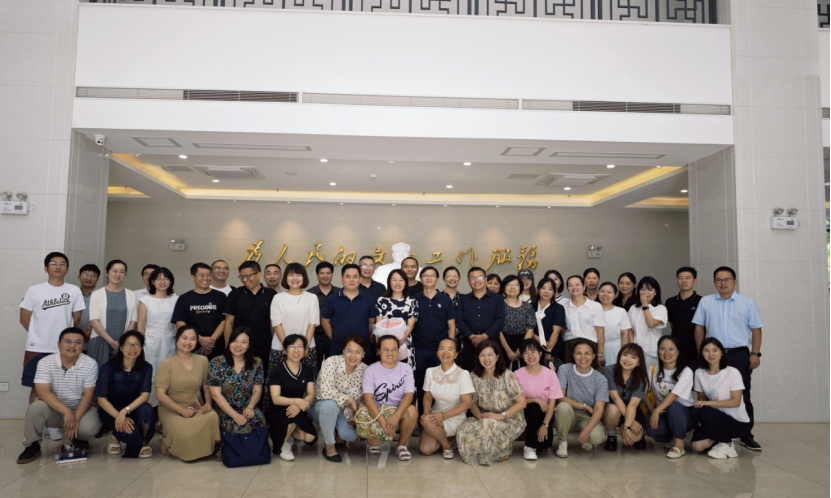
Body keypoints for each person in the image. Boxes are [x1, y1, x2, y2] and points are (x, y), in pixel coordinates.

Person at [693, 266, 763, 452]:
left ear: (735, 281)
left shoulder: (747, 303)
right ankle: (716, 430)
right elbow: (699, 328)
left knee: (743, 395)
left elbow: (756, 330)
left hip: (739, 354)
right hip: (713, 354)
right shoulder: (706, 302)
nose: (723, 283)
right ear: (714, 282)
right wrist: (701, 353)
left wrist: (755, 353)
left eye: (727, 279)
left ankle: (746, 435)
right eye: (719, 280)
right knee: (710, 392)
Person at [17, 328, 101, 464]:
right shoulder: (45, 362)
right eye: (67, 341)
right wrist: (66, 411)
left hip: (79, 408)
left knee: (90, 427)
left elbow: (88, 395)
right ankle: (32, 445)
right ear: (59, 344)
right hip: (53, 409)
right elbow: (43, 393)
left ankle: (79, 438)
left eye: (78, 342)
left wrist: (75, 419)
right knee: (35, 407)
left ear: (84, 345)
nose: (72, 346)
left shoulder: (90, 364)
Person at [20, 252, 85, 405]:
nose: (58, 267)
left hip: (64, 349)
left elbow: (76, 319)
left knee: (61, 388)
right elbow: (24, 319)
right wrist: (39, 334)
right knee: (37, 388)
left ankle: (56, 420)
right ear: (46, 268)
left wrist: (65, 339)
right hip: (37, 348)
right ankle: (35, 419)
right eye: (54, 263)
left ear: (67, 269)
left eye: (62, 264)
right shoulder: (34, 290)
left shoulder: (74, 291)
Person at [455, 339, 526, 465]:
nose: (486, 359)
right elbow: (473, 403)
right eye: (482, 355)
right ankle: (487, 451)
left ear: (497, 357)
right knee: (464, 429)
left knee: (488, 426)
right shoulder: (475, 376)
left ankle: (504, 449)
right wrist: (480, 417)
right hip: (486, 417)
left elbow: (522, 403)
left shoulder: (507, 375)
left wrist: (500, 416)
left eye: (490, 355)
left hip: (509, 418)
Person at [155, 325, 220, 461]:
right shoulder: (166, 364)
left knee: (212, 417)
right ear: (176, 339)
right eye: (184, 338)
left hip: (195, 406)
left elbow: (206, 387)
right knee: (185, 431)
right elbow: (160, 395)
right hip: (171, 408)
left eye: (192, 339)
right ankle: (167, 442)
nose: (188, 342)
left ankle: (194, 447)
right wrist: (182, 410)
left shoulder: (203, 360)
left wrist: (208, 403)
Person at [266, 263, 319, 411]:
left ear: (304, 277)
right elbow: (277, 325)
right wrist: (288, 347)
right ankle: (277, 415)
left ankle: (305, 412)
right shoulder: (278, 298)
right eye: (291, 275)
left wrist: (304, 347)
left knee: (306, 385)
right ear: (285, 278)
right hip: (280, 348)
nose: (295, 278)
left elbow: (312, 324)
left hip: (307, 348)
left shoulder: (311, 297)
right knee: (279, 385)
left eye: (298, 275)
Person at [208, 327, 267, 461]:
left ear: (249, 344)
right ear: (229, 342)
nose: (238, 345)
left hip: (247, 406)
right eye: (234, 341)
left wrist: (251, 406)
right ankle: (237, 455)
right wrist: (235, 415)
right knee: (237, 425)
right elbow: (216, 395)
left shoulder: (256, 363)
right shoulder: (216, 362)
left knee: (258, 418)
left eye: (243, 342)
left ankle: (256, 453)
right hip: (224, 408)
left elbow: (257, 390)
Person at [96, 330, 155, 459]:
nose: (132, 348)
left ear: (141, 347)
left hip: (133, 409)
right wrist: (119, 416)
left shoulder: (146, 367)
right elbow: (102, 399)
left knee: (147, 409)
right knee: (131, 434)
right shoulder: (107, 368)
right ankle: (115, 434)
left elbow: (145, 396)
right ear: (121, 348)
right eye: (128, 345)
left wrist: (125, 411)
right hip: (111, 411)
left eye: (136, 345)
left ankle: (144, 442)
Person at [690, 338, 752, 459]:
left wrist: (706, 406)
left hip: (737, 423)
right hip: (714, 418)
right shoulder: (699, 373)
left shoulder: (732, 372)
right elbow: (702, 399)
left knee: (705, 410)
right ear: (702, 353)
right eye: (706, 351)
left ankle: (727, 444)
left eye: (715, 350)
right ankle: (720, 440)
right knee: (697, 446)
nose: (711, 354)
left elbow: (736, 402)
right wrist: (702, 417)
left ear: (721, 352)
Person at [310, 334, 368, 463]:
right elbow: (325, 392)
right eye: (349, 351)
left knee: (349, 435)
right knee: (330, 405)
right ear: (343, 351)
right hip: (321, 407)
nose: (353, 356)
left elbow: (364, 399)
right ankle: (329, 446)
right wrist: (350, 399)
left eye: (358, 352)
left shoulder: (365, 370)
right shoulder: (332, 362)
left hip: (345, 411)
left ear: (363, 353)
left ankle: (337, 434)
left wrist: (356, 414)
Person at [359, 335, 418, 461]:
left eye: (394, 349)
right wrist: (382, 421)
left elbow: (409, 395)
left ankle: (401, 445)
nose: (390, 353)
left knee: (412, 411)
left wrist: (396, 416)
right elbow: (368, 399)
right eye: (386, 349)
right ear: (379, 351)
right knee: (374, 443)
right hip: (378, 413)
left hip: (398, 413)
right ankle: (386, 433)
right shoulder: (371, 370)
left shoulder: (406, 368)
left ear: (398, 351)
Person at [411, 267, 456, 421]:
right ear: (421, 279)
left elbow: (451, 326)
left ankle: (438, 419)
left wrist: (449, 349)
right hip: (419, 349)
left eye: (432, 276)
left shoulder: (445, 299)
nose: (429, 278)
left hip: (440, 351)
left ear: (437, 279)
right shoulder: (414, 299)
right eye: (425, 275)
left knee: (440, 385)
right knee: (420, 385)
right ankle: (421, 420)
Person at [419, 338, 473, 459]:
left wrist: (443, 416)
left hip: (455, 417)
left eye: (450, 349)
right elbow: (428, 396)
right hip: (435, 415)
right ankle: (448, 439)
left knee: (428, 422)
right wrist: (426, 412)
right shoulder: (430, 372)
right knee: (425, 449)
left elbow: (467, 404)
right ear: (437, 353)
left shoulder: (463, 374)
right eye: (442, 348)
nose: (445, 352)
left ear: (456, 354)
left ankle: (446, 445)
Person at [267, 334, 318, 462]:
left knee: (310, 438)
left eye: (300, 346)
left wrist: (300, 405)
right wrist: (297, 401)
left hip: (298, 408)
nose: (296, 350)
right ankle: (282, 446)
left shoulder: (307, 369)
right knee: (291, 416)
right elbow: (276, 398)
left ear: (305, 350)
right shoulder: (277, 370)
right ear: (285, 351)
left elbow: (311, 393)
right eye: (292, 347)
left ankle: (287, 434)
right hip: (277, 410)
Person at [224, 261, 277, 382]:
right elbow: (228, 322)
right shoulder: (235, 294)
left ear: (258, 274)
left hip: (265, 345)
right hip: (240, 346)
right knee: (241, 379)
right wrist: (228, 347)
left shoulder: (271, 294)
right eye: (242, 276)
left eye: (248, 276)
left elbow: (273, 322)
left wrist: (275, 345)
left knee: (263, 379)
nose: (244, 280)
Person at [554, 339, 608, 458]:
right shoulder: (565, 369)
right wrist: (585, 406)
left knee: (597, 437)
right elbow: (560, 398)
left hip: (586, 418)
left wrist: (587, 430)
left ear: (593, 356)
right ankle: (562, 441)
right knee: (563, 407)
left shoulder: (600, 379)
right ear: (573, 355)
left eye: (587, 353)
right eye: (578, 353)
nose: (583, 357)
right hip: (568, 414)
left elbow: (599, 409)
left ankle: (585, 438)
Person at [644, 336, 696, 459]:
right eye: (663, 349)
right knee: (652, 427)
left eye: (671, 349)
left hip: (685, 413)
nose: (666, 353)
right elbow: (643, 392)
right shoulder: (653, 369)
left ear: (678, 352)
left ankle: (679, 444)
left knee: (674, 406)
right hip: (664, 413)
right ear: (658, 351)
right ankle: (669, 438)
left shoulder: (686, 371)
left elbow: (674, 395)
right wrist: (652, 409)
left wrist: (656, 410)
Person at [514, 340, 562, 461]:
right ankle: (529, 447)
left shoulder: (550, 374)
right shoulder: (517, 374)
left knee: (545, 444)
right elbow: (515, 401)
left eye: (533, 352)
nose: (530, 356)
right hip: (524, 413)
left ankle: (535, 441)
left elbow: (552, 403)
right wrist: (535, 400)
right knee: (534, 407)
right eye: (526, 353)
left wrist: (545, 425)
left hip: (544, 415)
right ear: (522, 356)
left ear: (540, 353)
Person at [137, 267, 179, 407]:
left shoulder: (176, 299)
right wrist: (139, 345)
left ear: (171, 281)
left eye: (166, 279)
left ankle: (167, 407)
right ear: (152, 281)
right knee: (151, 373)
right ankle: (150, 408)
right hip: (150, 342)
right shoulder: (145, 300)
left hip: (170, 341)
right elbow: (141, 326)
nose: (162, 282)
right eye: (158, 279)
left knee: (170, 374)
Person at [172, 263, 227, 359]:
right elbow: (180, 323)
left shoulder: (221, 296)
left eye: (208, 275)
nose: (206, 278)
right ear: (192, 277)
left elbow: (225, 321)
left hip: (217, 347)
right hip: (192, 347)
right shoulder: (184, 298)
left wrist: (211, 341)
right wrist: (200, 339)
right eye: (201, 275)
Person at [89, 260, 137, 367]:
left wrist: (123, 343)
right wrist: (112, 342)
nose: (118, 275)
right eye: (114, 271)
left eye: (122, 272)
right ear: (107, 272)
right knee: (99, 374)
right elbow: (94, 321)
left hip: (124, 344)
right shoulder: (97, 294)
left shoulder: (131, 294)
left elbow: (133, 321)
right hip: (100, 341)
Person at [321, 264, 375, 358]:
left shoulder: (368, 299)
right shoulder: (332, 299)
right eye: (348, 277)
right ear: (342, 279)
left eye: (355, 277)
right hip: (338, 347)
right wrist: (334, 337)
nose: (351, 280)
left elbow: (371, 321)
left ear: (360, 279)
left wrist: (365, 334)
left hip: (362, 347)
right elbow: (325, 321)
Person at [457, 267, 506, 371]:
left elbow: (500, 319)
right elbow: (460, 321)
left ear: (485, 279)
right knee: (470, 373)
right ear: (468, 281)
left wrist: (484, 336)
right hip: (470, 345)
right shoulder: (463, 299)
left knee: (494, 374)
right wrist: (472, 337)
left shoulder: (497, 298)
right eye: (473, 278)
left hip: (493, 343)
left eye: (480, 277)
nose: (476, 280)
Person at [602, 344, 648, 452]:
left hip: (632, 409)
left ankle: (633, 432)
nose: (627, 359)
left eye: (633, 357)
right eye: (625, 355)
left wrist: (627, 425)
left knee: (634, 437)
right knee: (612, 409)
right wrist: (631, 423)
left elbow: (633, 404)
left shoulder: (641, 378)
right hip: (614, 408)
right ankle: (611, 436)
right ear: (619, 356)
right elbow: (615, 397)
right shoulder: (608, 370)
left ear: (639, 362)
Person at [375, 269, 419, 368]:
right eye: (394, 280)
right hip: (385, 345)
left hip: (404, 343)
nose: (398, 283)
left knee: (404, 372)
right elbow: (378, 323)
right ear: (389, 282)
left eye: (401, 280)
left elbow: (411, 325)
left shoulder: (412, 301)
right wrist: (379, 342)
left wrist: (400, 342)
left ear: (405, 283)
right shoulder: (381, 300)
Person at [562, 275, 606, 366]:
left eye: (577, 284)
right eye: (570, 285)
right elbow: (562, 329)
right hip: (569, 345)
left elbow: (600, 331)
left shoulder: (595, 306)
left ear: (584, 287)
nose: (574, 287)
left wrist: (600, 353)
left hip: (590, 345)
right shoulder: (563, 306)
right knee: (569, 372)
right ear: (568, 288)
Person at [627, 277, 667, 373]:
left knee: (651, 377)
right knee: (635, 376)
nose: (645, 292)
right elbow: (629, 329)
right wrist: (632, 346)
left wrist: (645, 305)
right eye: (642, 289)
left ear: (655, 291)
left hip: (651, 351)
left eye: (649, 289)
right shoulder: (633, 308)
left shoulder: (660, 308)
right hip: (635, 351)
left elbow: (651, 324)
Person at [665, 267, 702, 369]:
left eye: (688, 278)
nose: (684, 281)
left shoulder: (702, 301)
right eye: (680, 278)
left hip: (695, 352)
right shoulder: (670, 302)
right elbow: (672, 324)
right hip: (676, 351)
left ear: (695, 281)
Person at [498, 275, 536, 370]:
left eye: (516, 285)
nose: (512, 287)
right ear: (503, 288)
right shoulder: (498, 305)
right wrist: (508, 351)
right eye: (509, 284)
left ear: (520, 288)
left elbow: (530, 329)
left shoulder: (527, 306)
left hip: (523, 342)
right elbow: (497, 329)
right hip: (503, 343)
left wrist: (521, 348)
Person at [308, 261, 340, 370]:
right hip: (315, 337)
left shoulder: (340, 293)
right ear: (317, 275)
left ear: (332, 274)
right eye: (322, 273)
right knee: (313, 369)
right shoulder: (309, 294)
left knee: (335, 369)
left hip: (335, 337)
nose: (325, 276)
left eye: (328, 273)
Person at [533, 277, 567, 366]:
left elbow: (556, 331)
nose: (546, 292)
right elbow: (527, 329)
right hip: (533, 347)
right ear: (538, 289)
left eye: (550, 289)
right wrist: (540, 340)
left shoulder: (558, 308)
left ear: (554, 292)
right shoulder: (530, 307)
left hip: (553, 348)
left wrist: (548, 352)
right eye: (543, 288)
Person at [598, 282, 632, 367]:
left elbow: (625, 334)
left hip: (615, 348)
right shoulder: (592, 310)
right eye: (602, 291)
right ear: (598, 293)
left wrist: (624, 353)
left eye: (609, 292)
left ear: (615, 295)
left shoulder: (621, 311)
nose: (605, 294)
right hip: (596, 348)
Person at [77, 264, 100, 341]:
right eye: (85, 275)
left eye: (93, 276)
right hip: (73, 336)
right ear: (79, 277)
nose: (89, 278)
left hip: (96, 337)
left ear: (98, 279)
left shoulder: (102, 296)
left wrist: (93, 330)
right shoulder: (72, 295)